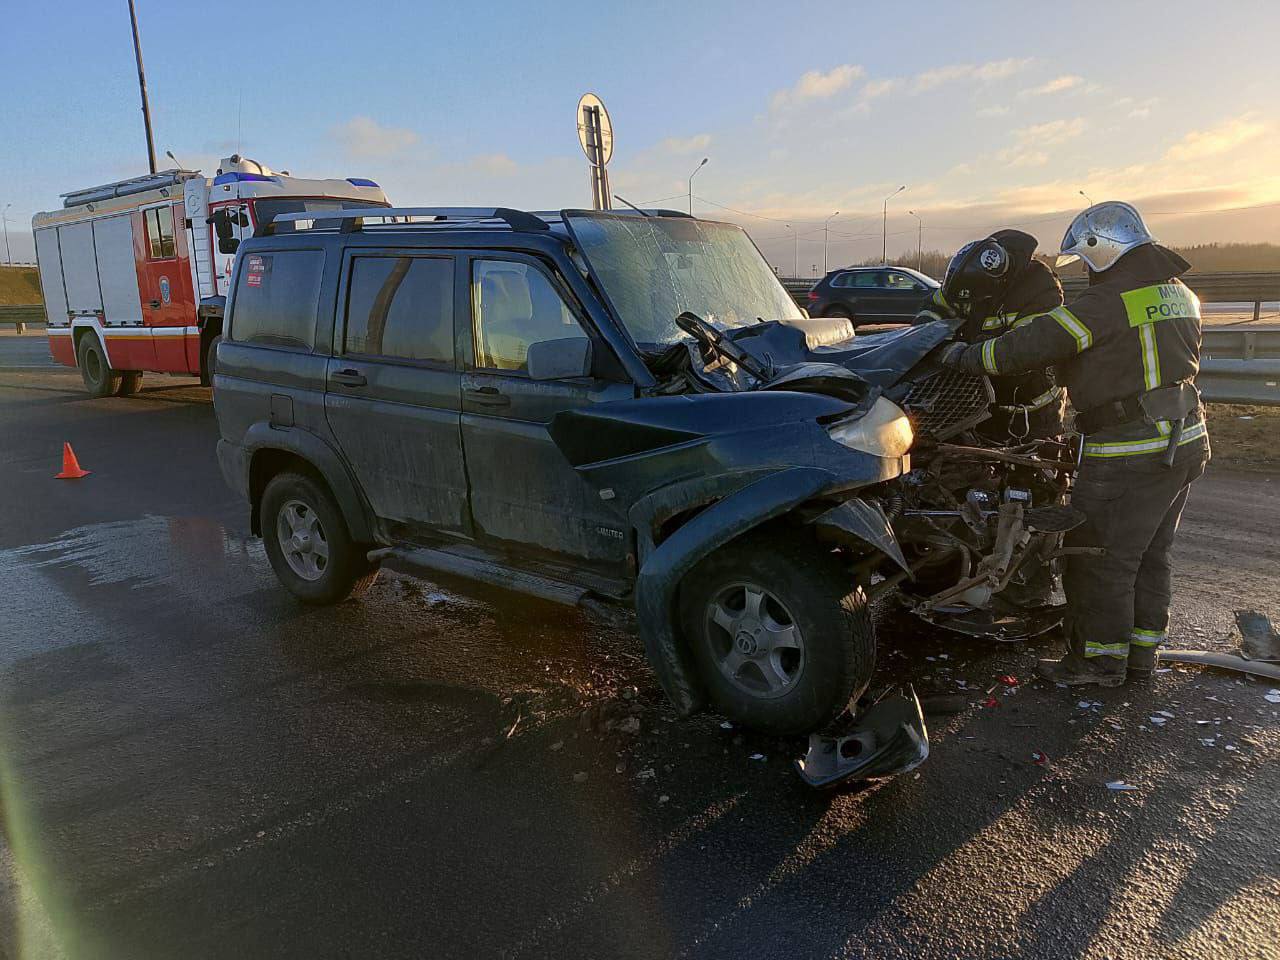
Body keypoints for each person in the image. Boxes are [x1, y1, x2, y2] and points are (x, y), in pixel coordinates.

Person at [934, 202, 1211, 687]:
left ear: (1101, 249)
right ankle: (1140, 656)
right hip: (1184, 444)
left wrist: (964, 355)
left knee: (1095, 558)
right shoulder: (1180, 293)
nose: (1084, 270)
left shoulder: (1106, 304)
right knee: (1147, 555)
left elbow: (1029, 345)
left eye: (1085, 259)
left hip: (1129, 452)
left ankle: (1097, 663)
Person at [920, 229, 1067, 440]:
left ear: (996, 285)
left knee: (1033, 468)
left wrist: (961, 354)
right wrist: (927, 338)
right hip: (983, 406)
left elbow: (1020, 353)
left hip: (1033, 409)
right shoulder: (971, 281)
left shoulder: (1042, 289)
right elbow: (935, 306)